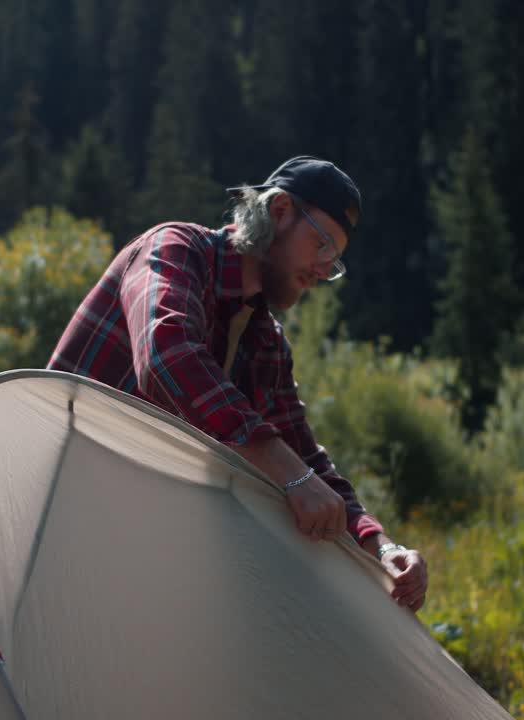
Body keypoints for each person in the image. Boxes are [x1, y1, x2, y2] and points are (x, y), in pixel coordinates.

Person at [48, 156, 428, 612]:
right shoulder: (176, 248)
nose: (322, 269)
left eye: (334, 261)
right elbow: (167, 356)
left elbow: (306, 459)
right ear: (280, 211)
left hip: (139, 548)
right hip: (62, 520)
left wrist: (381, 548)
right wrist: (291, 474)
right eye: (321, 244)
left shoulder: (266, 341)